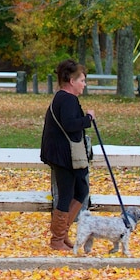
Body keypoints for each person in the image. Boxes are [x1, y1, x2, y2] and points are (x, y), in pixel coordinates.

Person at [40, 59, 95, 252]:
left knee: (80, 191)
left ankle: (62, 236)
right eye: (82, 80)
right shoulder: (67, 99)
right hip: (64, 155)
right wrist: (88, 119)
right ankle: (57, 240)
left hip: (64, 154)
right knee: (67, 195)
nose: (84, 84)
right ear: (72, 81)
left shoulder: (62, 98)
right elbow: (70, 125)